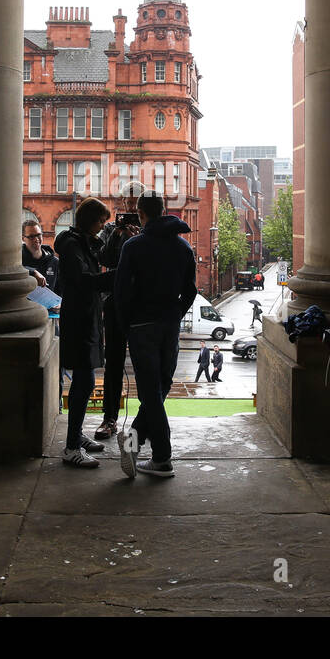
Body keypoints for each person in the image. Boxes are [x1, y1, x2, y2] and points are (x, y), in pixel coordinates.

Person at [113, 192, 197, 479]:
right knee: (158, 389)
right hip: (169, 326)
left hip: (141, 328)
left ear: (141, 214)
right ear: (163, 210)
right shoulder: (183, 248)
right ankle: (134, 444)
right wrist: (175, 313)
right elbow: (191, 292)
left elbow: (121, 291)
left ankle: (161, 458)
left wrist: (126, 325)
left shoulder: (133, 247)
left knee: (151, 392)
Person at [53, 197, 116, 468]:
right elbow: (81, 280)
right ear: (91, 220)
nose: (103, 227)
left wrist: (120, 237)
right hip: (78, 319)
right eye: (101, 221)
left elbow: (105, 257)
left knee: (85, 381)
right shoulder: (71, 244)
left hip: (87, 317)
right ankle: (70, 448)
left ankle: (76, 436)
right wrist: (116, 277)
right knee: (84, 382)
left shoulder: (84, 242)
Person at [91, 185, 144, 440]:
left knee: (145, 364)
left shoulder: (149, 232)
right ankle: (109, 418)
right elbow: (105, 259)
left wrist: (138, 238)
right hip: (114, 305)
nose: (132, 207)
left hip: (141, 307)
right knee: (112, 363)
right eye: (128, 202)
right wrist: (118, 235)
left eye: (136, 203)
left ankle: (146, 421)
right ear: (122, 203)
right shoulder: (112, 229)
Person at [21, 221, 59, 289]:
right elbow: (11, 269)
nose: (36, 239)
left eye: (38, 235)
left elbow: (60, 289)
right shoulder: (18, 260)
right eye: (31, 236)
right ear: (23, 238)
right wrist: (32, 272)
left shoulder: (54, 262)